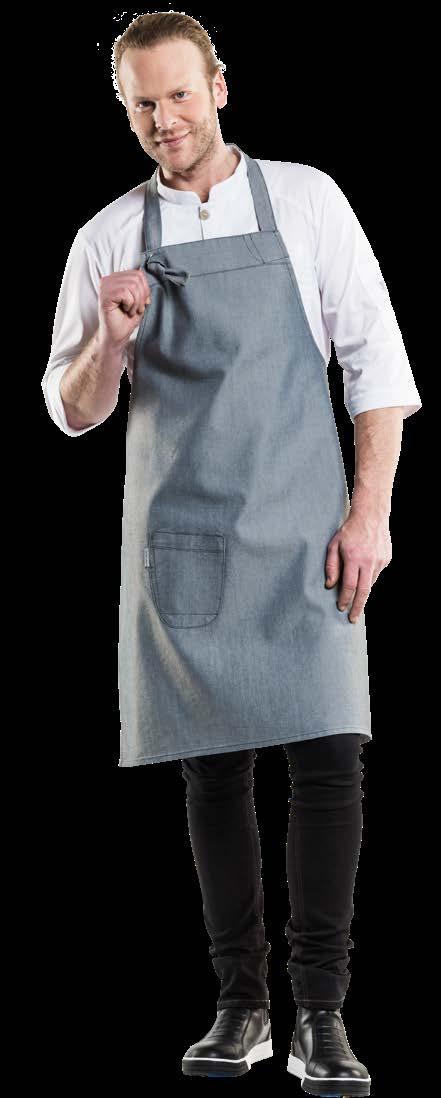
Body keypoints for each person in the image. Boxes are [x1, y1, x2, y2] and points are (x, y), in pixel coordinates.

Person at [41, 12, 422, 1091]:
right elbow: (72, 410)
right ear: (125, 111)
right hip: (187, 540)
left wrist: (368, 515)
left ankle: (322, 1013)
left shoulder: (306, 200)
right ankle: (241, 1005)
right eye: (142, 103)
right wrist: (109, 339)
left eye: (179, 93)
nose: (163, 119)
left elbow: (377, 366)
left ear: (218, 86)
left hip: (305, 531)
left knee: (330, 758)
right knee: (213, 770)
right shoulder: (107, 237)